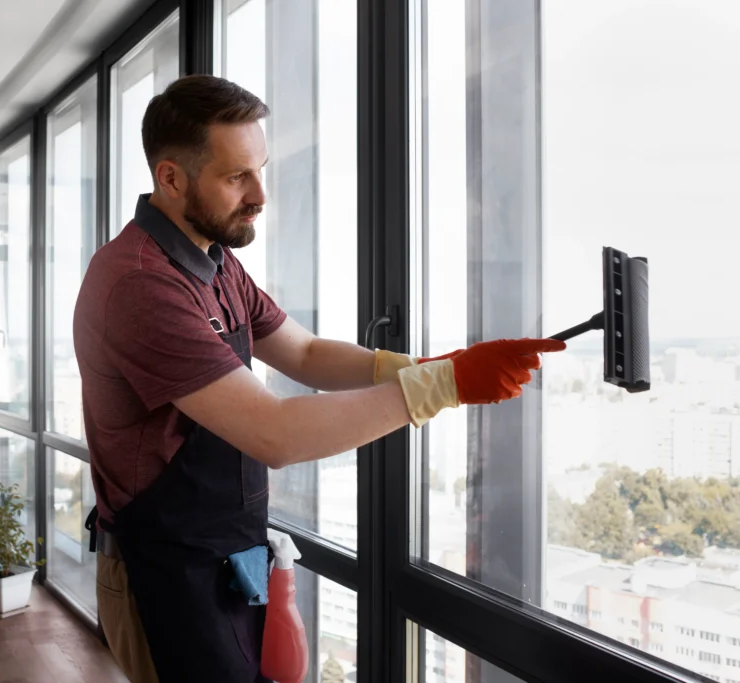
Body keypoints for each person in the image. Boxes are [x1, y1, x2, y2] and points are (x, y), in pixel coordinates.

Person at [72, 75, 565, 683]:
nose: (260, 194)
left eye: (261, 169)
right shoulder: (141, 283)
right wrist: (444, 386)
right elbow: (276, 434)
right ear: (171, 178)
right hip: (161, 574)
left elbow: (302, 352)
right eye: (236, 177)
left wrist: (427, 365)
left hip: (222, 560)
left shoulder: (214, 261)